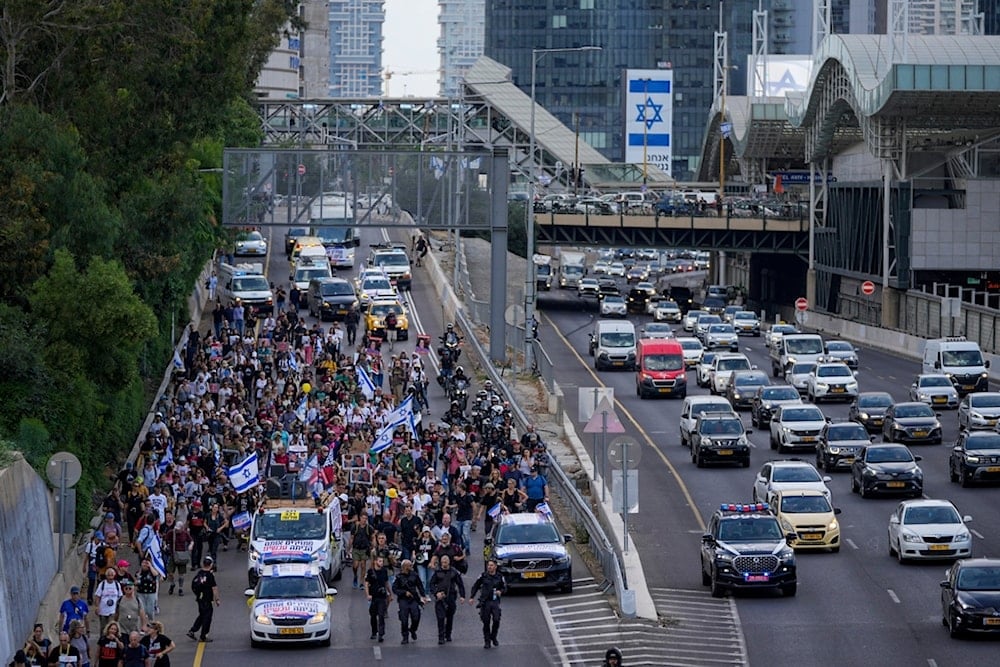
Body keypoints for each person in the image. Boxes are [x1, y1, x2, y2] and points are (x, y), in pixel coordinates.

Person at [469, 558, 507, 649]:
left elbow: (505, 588)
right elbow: (475, 586)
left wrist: (500, 591)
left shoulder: (500, 577)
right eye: (488, 565)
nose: (489, 567)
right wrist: (471, 597)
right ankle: (487, 641)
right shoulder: (483, 576)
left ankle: (493, 636)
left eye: (491, 565)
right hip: (485, 602)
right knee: (486, 622)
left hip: (494, 601)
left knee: (496, 619)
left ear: (495, 567)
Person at [428, 554, 465, 645]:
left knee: (449, 617)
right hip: (440, 598)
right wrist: (436, 593)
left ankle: (448, 634)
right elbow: (431, 585)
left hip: (451, 597)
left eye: (445, 562)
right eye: (442, 562)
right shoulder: (437, 572)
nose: (444, 564)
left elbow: (460, 584)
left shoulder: (454, 572)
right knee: (440, 617)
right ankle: (441, 636)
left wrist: (462, 596)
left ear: (449, 562)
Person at [392, 559, 427, 645]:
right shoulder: (399, 577)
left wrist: (423, 596)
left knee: (416, 617)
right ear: (404, 567)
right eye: (409, 566)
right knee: (404, 619)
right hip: (403, 600)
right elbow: (395, 589)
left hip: (413, 599)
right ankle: (405, 636)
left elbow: (419, 585)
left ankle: (412, 629)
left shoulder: (414, 575)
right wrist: (404, 593)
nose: (411, 567)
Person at [187, 557, 220, 643]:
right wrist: (217, 599)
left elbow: (193, 585)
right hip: (207, 599)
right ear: (211, 565)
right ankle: (203, 636)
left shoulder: (199, 573)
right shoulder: (210, 575)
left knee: (202, 615)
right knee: (207, 617)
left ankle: (192, 630)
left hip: (199, 599)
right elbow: (214, 588)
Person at [364, 555, 393, 642]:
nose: (381, 563)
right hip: (373, 597)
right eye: (380, 561)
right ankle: (374, 632)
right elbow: (366, 584)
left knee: (381, 615)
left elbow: (386, 582)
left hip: (382, 596)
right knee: (373, 615)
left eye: (382, 561)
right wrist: (368, 594)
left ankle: (381, 634)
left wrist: (390, 594)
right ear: (375, 562)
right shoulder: (370, 572)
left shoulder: (384, 571)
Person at [163, 520, 192, 596]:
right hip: (173, 554)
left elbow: (191, 541)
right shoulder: (171, 533)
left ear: (182, 528)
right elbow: (165, 540)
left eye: (178, 529)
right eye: (176, 528)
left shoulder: (185, 534)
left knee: (181, 574)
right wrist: (166, 546)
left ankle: (180, 588)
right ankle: (172, 584)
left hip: (182, 555)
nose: (177, 530)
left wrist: (190, 545)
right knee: (170, 572)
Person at [94, 568, 123, 634]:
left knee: (111, 626)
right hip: (103, 610)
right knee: (103, 627)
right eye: (109, 575)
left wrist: (118, 609)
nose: (110, 577)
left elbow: (120, 597)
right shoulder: (102, 584)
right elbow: (98, 596)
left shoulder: (117, 585)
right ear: (106, 576)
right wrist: (97, 607)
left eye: (112, 575)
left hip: (113, 610)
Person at [351, 512, 375, 589]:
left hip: (364, 549)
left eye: (366, 519)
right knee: (355, 565)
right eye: (363, 518)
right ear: (360, 518)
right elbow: (351, 538)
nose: (364, 520)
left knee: (363, 565)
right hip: (356, 548)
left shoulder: (369, 528)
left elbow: (373, 537)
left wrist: (374, 547)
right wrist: (348, 549)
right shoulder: (355, 527)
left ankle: (361, 582)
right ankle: (355, 576)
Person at [135, 558, 159, 622]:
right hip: (141, 593)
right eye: (143, 563)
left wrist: (150, 566)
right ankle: (143, 624)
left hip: (151, 593)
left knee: (150, 610)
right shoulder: (139, 572)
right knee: (142, 610)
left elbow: (156, 574)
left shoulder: (152, 571)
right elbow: (137, 578)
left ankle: (151, 622)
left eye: (146, 563)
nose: (145, 565)